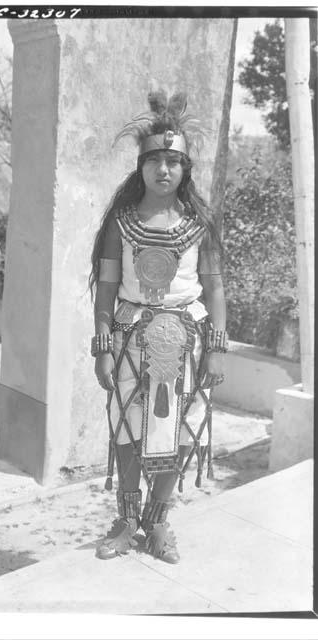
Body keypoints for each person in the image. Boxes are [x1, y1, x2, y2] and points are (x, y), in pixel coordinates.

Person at [89, 90, 227, 564]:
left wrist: (217, 347)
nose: (163, 169)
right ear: (140, 165)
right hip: (129, 338)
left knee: (181, 432)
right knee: (128, 429)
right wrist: (103, 346)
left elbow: (215, 288)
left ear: (185, 168)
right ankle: (127, 522)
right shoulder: (120, 224)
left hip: (186, 341)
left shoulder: (200, 224)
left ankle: (159, 520)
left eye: (173, 160)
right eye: (155, 160)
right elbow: (106, 289)